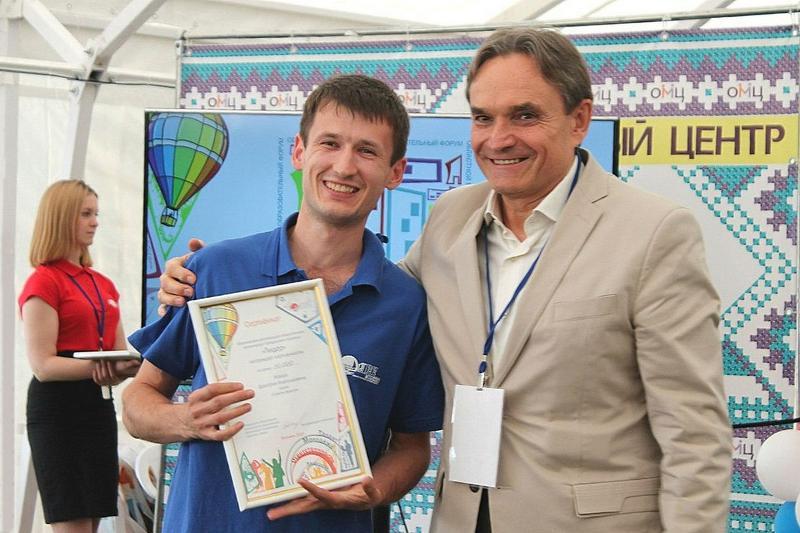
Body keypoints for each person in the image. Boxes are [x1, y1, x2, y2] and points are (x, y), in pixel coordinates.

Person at [157, 29, 733, 533]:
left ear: (579, 120)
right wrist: (192, 281)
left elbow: (695, 435)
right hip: (460, 518)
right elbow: (363, 286)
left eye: (524, 115)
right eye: (483, 117)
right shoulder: (452, 218)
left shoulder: (653, 233)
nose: (498, 138)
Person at [121, 74, 444, 533]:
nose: (344, 166)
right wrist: (186, 419)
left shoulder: (406, 305)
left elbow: (412, 448)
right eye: (329, 143)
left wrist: (374, 489)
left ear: (395, 172)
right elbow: (137, 402)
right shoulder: (214, 269)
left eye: (367, 151)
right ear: (299, 151)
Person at [18, 179, 140, 533]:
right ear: (61, 218)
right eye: (86, 214)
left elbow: (115, 354)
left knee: (95, 515)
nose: (95, 222)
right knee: (72, 520)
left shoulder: (103, 284)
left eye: (96, 213)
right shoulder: (44, 282)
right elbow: (42, 365)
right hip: (58, 411)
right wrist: (97, 368)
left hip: (97, 406)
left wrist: (127, 368)